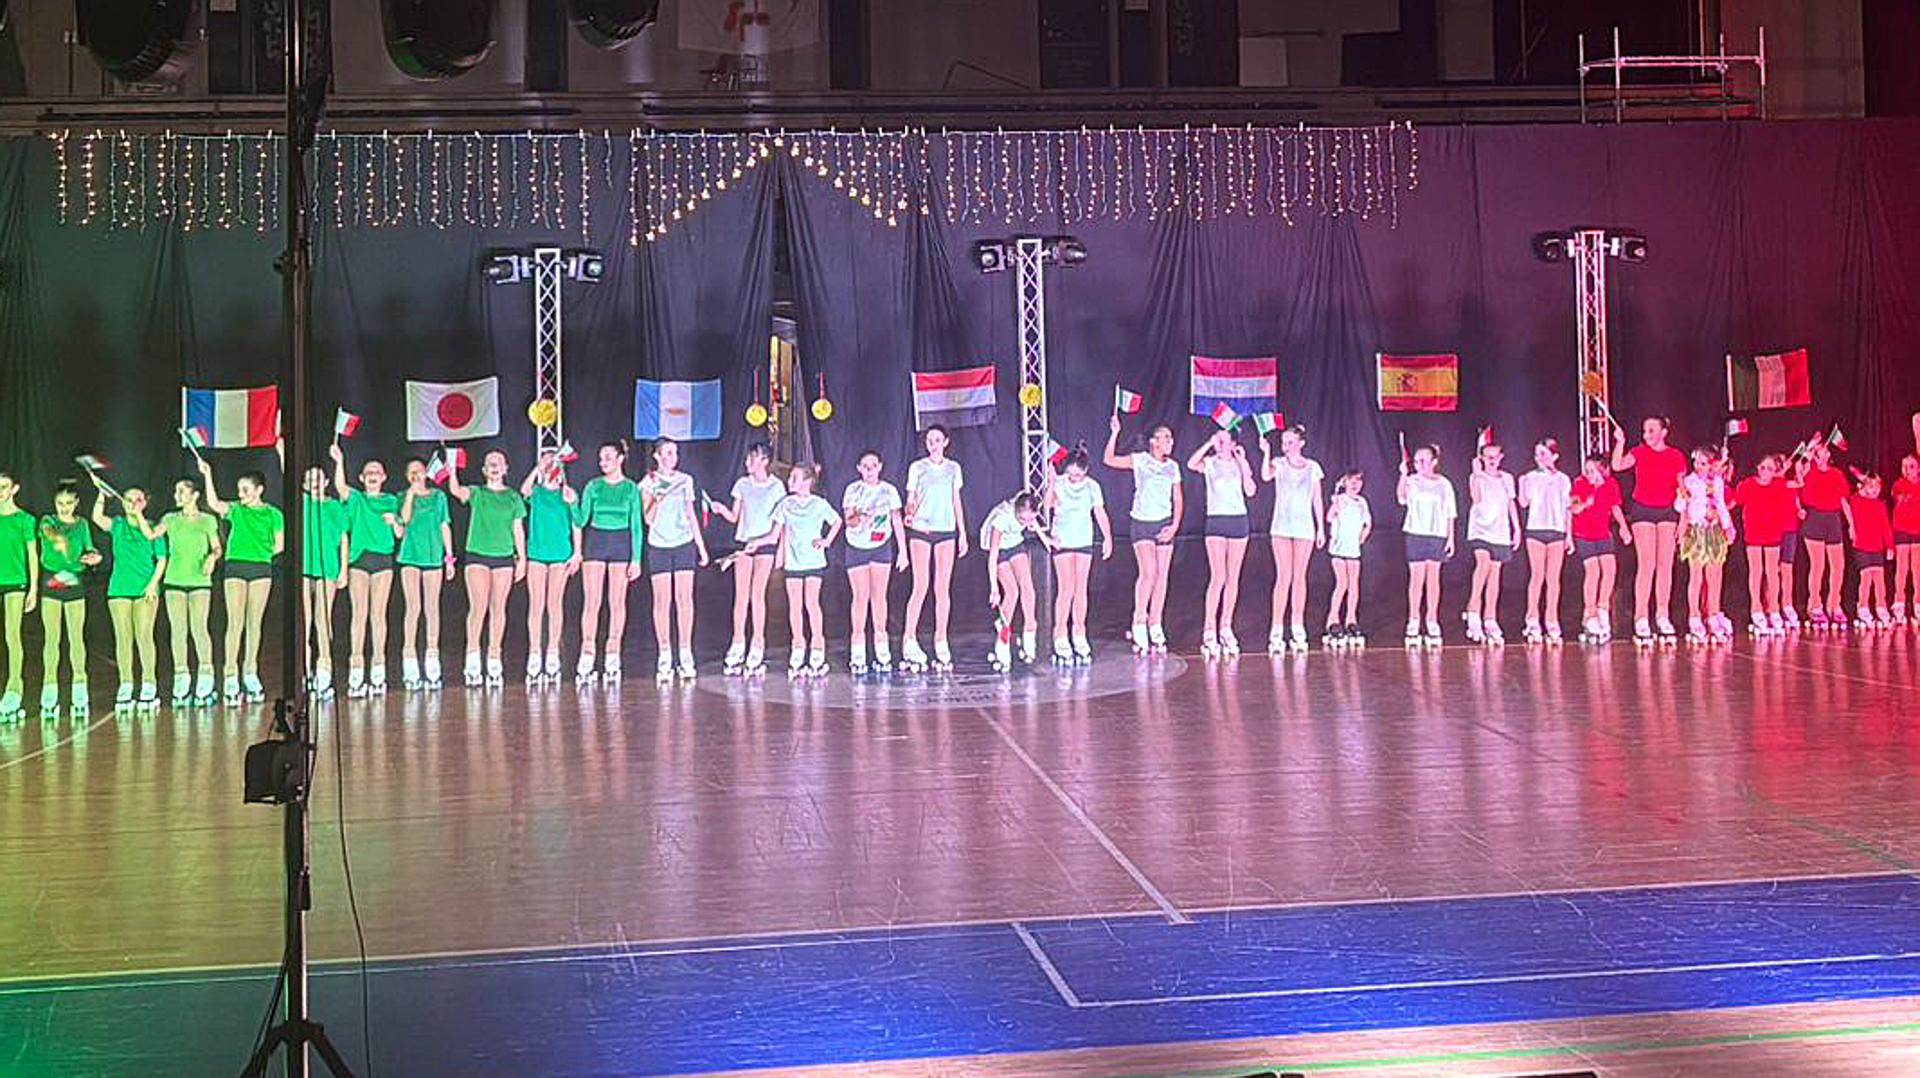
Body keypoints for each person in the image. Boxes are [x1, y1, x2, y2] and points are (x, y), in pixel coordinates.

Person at [200, 460, 284, 704]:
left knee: (254, 622)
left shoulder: (273, 514)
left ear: (259, 490)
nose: (241, 494)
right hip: (235, 566)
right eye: (239, 490)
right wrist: (207, 474)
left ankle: (250, 672)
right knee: (234, 621)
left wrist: (261, 554)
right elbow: (215, 504)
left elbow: (279, 545)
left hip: (261, 569)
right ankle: (230, 674)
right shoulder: (236, 509)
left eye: (245, 489)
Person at [448, 450, 527, 688]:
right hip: (478, 555)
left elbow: (517, 529)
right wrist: (452, 470)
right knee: (478, 607)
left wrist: (522, 558)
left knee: (498, 608)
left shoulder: (513, 497)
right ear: (484, 470)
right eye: (490, 463)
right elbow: (456, 490)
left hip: (503, 557)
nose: (494, 466)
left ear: (505, 468)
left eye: (498, 463)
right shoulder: (477, 493)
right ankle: (472, 657)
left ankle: (494, 657)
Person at [1105, 415, 1182, 655]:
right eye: (1165, 438)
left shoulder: (1173, 467)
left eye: (1171, 438)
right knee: (1148, 573)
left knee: (1162, 576)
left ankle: (1155, 622)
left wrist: (1174, 526)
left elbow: (1178, 499)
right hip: (1142, 523)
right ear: (1153, 442)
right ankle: (1139, 620)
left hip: (1164, 523)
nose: (1170, 441)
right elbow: (1109, 459)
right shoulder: (1140, 460)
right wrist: (1115, 433)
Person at [753, 463, 839, 678]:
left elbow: (837, 521)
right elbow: (774, 535)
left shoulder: (819, 504)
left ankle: (817, 645)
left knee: (812, 603)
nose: (789, 481)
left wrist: (827, 540)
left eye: (794, 477)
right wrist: (756, 543)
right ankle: (798, 645)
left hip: (813, 562)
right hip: (794, 563)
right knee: (795, 606)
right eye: (790, 477)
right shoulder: (785, 504)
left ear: (807, 482)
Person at [330, 445, 400, 697]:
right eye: (368, 472)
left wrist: (395, 521)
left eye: (377, 472)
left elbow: (400, 532)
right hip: (359, 560)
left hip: (382, 560)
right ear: (361, 477)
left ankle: (378, 667)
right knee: (359, 614)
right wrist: (340, 460)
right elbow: (340, 487)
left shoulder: (391, 500)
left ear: (384, 477)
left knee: (378, 614)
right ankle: (357, 668)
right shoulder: (356, 499)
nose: (372, 475)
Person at [1612, 416, 1687, 645]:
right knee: (1647, 564)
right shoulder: (1639, 452)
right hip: (1643, 510)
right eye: (1645, 431)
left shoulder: (1676, 456)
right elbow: (1617, 465)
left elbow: (1682, 491)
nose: (1647, 435)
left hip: (1667, 511)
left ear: (1664, 432)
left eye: (1652, 430)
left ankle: (1662, 615)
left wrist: (1684, 520)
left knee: (1665, 565)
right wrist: (1620, 442)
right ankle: (1641, 617)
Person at [575, 441, 645, 684]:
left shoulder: (631, 488)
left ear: (620, 459)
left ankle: (613, 652)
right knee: (592, 601)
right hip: (596, 541)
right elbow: (581, 520)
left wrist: (636, 559)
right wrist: (571, 502)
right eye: (601, 458)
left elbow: (636, 525)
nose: (603, 462)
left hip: (621, 543)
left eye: (608, 458)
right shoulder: (593, 486)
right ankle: (587, 652)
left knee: (617, 601)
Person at [92, 477, 164, 713]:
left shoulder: (154, 527)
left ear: (145, 502)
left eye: (138, 499)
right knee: (123, 638)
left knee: (144, 636)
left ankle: (149, 683)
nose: (133, 503)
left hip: (145, 589)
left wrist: (152, 585)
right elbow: (97, 518)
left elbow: (162, 559)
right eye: (128, 499)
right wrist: (101, 494)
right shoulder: (117, 524)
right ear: (122, 503)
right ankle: (126, 683)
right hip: (119, 588)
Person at [640, 438, 708, 683]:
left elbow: (691, 514)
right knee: (662, 601)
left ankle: (685, 651)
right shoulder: (648, 482)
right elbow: (648, 519)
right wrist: (656, 499)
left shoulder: (685, 480)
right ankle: (665, 653)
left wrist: (701, 547)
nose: (672, 457)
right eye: (667, 453)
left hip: (683, 544)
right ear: (657, 456)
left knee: (684, 599)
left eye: (675, 453)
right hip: (659, 546)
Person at [712, 443, 784, 676]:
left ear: (764, 461)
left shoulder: (776, 487)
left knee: (757, 594)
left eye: (752, 459)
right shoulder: (742, 484)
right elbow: (735, 517)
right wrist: (721, 510)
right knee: (741, 595)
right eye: (747, 459)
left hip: (765, 545)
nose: (747, 463)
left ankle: (758, 642)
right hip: (744, 544)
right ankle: (737, 642)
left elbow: (781, 521)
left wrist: (780, 551)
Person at [902, 426, 968, 673]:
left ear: (945, 442)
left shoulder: (954, 468)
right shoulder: (917, 468)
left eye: (938, 440)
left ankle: (941, 638)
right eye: (930, 440)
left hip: (946, 530)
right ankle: (909, 638)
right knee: (920, 585)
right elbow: (911, 498)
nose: (934, 444)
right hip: (921, 529)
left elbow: (956, 501)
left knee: (942, 587)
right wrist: (910, 512)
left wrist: (962, 533)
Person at [154, 476, 222, 707]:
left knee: (199, 628)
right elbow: (151, 534)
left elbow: (217, 547)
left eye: (181, 491)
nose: (177, 496)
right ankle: (181, 677)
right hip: (174, 580)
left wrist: (212, 557)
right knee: (178, 631)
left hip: (200, 581)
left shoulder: (207, 520)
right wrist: (136, 512)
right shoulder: (170, 519)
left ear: (195, 495)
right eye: (176, 491)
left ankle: (206, 676)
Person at [37, 482, 102, 719]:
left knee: (76, 637)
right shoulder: (48, 520)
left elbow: (91, 549)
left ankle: (79, 687)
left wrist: (95, 557)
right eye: (60, 503)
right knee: (51, 638)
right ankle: (49, 688)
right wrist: (58, 538)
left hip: (74, 581)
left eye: (68, 503)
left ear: (76, 503)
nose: (64, 507)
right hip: (51, 581)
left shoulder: (82, 524)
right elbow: (48, 532)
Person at [1042, 446, 1112, 665]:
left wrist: (1108, 537)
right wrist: (1051, 482)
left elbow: (1100, 513)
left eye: (1078, 475)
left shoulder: (1092, 487)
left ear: (1086, 471)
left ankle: (1079, 632)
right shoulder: (1060, 483)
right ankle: (1060, 634)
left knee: (1081, 589)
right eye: (1070, 474)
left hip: (1083, 540)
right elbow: (1046, 505)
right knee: (1066, 588)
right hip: (1062, 540)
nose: (1074, 478)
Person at [1190, 427, 1255, 659]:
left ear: (1233, 443)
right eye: (1218, 440)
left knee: (1232, 577)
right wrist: (1209, 443)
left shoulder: (1239, 463)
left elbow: (1251, 490)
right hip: (1216, 521)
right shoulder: (1210, 463)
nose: (1220, 444)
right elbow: (1191, 463)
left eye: (1223, 441)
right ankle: (1209, 627)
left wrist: (1243, 462)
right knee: (1218, 576)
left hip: (1238, 521)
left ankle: (1226, 626)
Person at [841, 449, 907, 676]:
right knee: (860, 597)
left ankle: (881, 644)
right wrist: (859, 517)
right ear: (859, 469)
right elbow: (848, 521)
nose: (869, 471)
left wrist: (903, 551)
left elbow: (896, 520)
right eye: (865, 467)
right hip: (856, 547)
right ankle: (858, 647)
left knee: (879, 596)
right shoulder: (853, 490)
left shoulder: (889, 491)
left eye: (873, 466)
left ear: (880, 467)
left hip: (881, 547)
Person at [1260, 424, 1325, 654]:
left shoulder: (1313, 467)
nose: (1285, 446)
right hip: (1281, 527)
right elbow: (1265, 476)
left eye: (1290, 442)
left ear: (1301, 443)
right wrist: (1266, 451)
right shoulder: (1278, 463)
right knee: (1283, 576)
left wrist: (1321, 528)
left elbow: (1317, 498)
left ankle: (1298, 624)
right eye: (1283, 442)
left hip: (1304, 528)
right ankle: (1277, 627)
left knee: (1299, 577)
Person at [519, 450, 580, 685]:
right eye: (547, 463)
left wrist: (577, 552)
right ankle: (535, 652)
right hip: (536, 554)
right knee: (536, 604)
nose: (550, 467)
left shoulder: (567, 494)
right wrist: (538, 467)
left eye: (554, 463)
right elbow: (523, 490)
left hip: (560, 554)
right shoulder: (536, 492)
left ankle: (552, 652)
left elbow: (577, 523)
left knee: (555, 604)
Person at [396, 458, 455, 691]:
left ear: (426, 473)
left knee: (432, 606)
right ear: (406, 476)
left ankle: (432, 656)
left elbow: (444, 525)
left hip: (433, 556)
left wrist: (449, 557)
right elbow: (404, 520)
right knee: (413, 607)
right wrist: (411, 494)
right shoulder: (402, 496)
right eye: (411, 472)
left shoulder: (439, 497)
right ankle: (409, 657)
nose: (416, 475)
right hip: (410, 555)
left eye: (419, 470)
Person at [981, 492, 1053, 671]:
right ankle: (1003, 638)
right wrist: (994, 588)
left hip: (1014, 543)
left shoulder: (1027, 506)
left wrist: (1046, 540)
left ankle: (1030, 629)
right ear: (1016, 512)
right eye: (1022, 520)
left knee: (1027, 586)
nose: (1027, 523)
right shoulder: (1002, 518)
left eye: (1030, 519)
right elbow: (993, 555)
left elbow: (1033, 522)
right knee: (1012, 592)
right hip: (996, 548)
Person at [1396, 444, 1455, 647]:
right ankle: (1413, 619)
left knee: (1433, 580)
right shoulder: (1412, 480)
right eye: (1416, 460)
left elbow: (1450, 512)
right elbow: (1401, 498)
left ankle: (1432, 619)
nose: (1419, 464)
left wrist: (1450, 538)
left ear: (1434, 462)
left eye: (1423, 460)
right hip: (1416, 533)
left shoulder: (1444, 484)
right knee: (1416, 580)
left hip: (1437, 535)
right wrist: (1402, 475)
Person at [1463, 437, 1521, 645]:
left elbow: (1511, 504)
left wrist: (1517, 529)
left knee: (1495, 574)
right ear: (1481, 458)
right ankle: (1473, 611)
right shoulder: (1476, 477)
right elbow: (1476, 498)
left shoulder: (1507, 478)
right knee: (1483, 564)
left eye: (1495, 456)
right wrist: (1477, 474)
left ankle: (1490, 617)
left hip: (1500, 531)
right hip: (1480, 529)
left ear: (1501, 457)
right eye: (1488, 457)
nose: (1492, 460)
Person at [1675, 448, 1736, 643]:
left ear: (1711, 465)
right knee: (1696, 576)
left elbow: (1721, 505)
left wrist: (1728, 526)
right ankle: (1694, 616)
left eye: (1703, 463)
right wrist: (1682, 496)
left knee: (1714, 575)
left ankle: (1713, 614)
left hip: (1714, 530)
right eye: (1696, 463)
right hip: (1697, 531)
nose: (1698, 467)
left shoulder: (1717, 482)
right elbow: (1680, 506)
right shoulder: (1689, 481)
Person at [298, 465, 349, 699]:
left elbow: (343, 539)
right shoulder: (303, 504)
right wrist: (280, 452)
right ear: (304, 485)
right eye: (309, 479)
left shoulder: (336, 506)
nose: (315, 482)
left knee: (322, 619)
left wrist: (343, 570)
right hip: (304, 568)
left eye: (319, 478)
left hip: (327, 567)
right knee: (303, 621)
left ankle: (324, 669)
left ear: (327, 482)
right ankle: (304, 671)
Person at [1732, 454, 1796, 636]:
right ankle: (1756, 608)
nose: (1766, 472)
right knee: (1756, 571)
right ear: (1757, 468)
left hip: (1773, 533)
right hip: (1753, 533)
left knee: (1772, 572)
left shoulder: (1779, 485)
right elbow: (1734, 501)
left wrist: (1793, 468)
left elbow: (1797, 484)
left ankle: (1774, 609)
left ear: (1775, 471)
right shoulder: (1747, 485)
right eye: (1763, 468)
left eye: (1770, 469)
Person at [1570, 454, 1631, 643]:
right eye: (1587, 470)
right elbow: (1574, 508)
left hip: (1603, 533)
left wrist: (1624, 527)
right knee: (1593, 571)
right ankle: (1589, 614)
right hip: (1584, 534)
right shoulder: (1580, 483)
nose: (1589, 474)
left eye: (1592, 471)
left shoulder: (1611, 484)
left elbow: (1615, 508)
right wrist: (1587, 501)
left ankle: (1602, 608)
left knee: (1610, 568)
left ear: (1602, 470)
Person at [1518, 438, 1573, 644]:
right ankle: (1532, 618)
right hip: (1536, 530)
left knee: (1553, 578)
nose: (1539, 458)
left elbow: (1568, 508)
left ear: (1554, 456)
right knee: (1537, 575)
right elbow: (1524, 503)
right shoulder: (1531, 477)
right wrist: (1521, 484)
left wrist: (1569, 535)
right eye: (1537, 454)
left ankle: (1551, 619)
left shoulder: (1563, 480)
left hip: (1556, 531)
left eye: (1543, 453)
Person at [1799, 438, 1850, 629]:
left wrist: (1852, 525)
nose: (1823, 452)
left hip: (1833, 519)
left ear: (1829, 454)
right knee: (1818, 565)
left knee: (1838, 565)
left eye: (1825, 449)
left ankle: (1834, 604)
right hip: (1815, 519)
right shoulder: (1809, 470)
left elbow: (1844, 500)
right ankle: (1815, 604)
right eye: (1819, 450)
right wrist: (1810, 449)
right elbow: (1799, 470)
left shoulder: (1837, 474)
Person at [0, 473, 35, 722]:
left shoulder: (25, 520)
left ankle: (14, 689)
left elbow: (32, 555)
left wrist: (33, 589)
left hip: (15, 583)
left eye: (4, 487)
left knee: (12, 635)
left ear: (14, 489)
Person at [1323, 470, 1372, 645]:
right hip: (1339, 548)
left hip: (1353, 549)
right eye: (1351, 481)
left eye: (1358, 481)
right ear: (1345, 483)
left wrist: (1362, 537)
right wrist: (1336, 503)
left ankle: (1351, 619)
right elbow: (1329, 517)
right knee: (1342, 583)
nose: (1355, 484)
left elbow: (1368, 523)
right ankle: (1332, 619)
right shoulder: (1340, 499)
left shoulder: (1362, 502)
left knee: (1353, 584)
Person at [1845, 471, 1894, 628]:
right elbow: (1851, 498)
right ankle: (1863, 607)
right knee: (1866, 577)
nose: (1874, 490)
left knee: (1879, 579)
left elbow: (1885, 527)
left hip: (1877, 547)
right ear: (1864, 488)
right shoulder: (1857, 501)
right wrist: (1862, 483)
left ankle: (1881, 606)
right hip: (1862, 546)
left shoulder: (1880, 505)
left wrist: (1890, 546)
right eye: (1870, 487)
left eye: (1877, 487)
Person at [1892, 454, 1920, 626]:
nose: (1907, 470)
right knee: (1902, 568)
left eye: (1911, 466)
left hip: (1917, 531)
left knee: (1917, 569)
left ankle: (1918, 603)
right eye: (1904, 466)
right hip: (1901, 530)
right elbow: (1899, 497)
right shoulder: (1898, 484)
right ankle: (1899, 603)